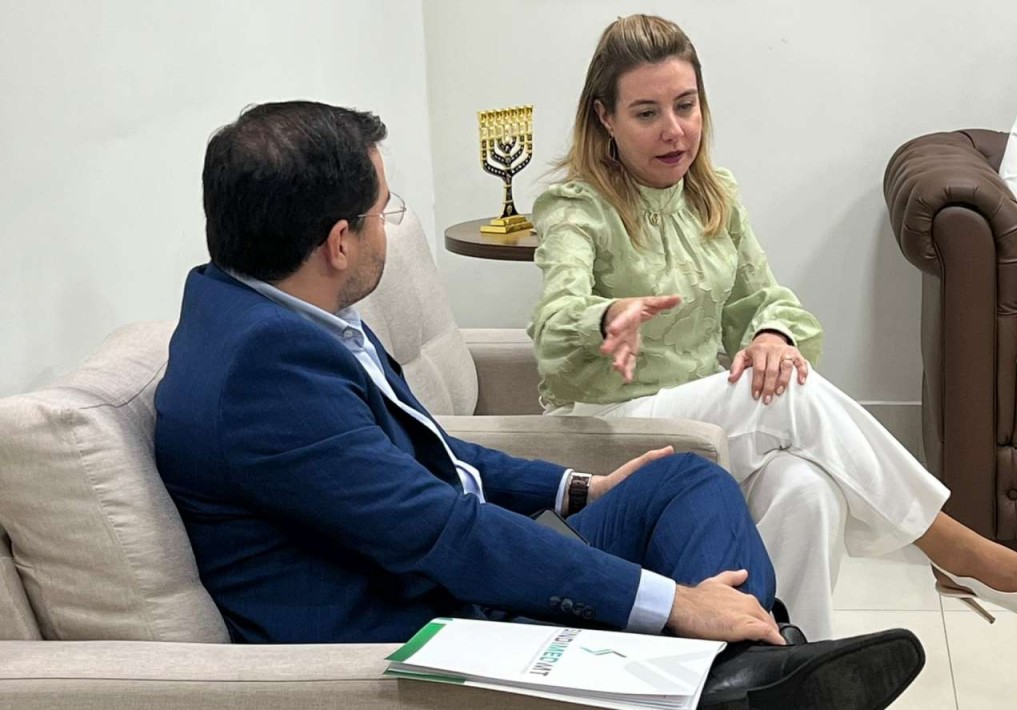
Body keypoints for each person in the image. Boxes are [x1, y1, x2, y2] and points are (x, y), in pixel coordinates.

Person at [154, 100, 924, 709]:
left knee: (685, 479)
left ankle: (748, 671)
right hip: (422, 615)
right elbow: (444, 533)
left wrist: (574, 487)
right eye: (382, 212)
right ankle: (759, 667)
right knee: (702, 566)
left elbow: (426, 447)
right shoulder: (267, 371)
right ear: (337, 242)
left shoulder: (277, 310)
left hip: (444, 564)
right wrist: (674, 604)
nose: (388, 229)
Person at [528, 13, 1017, 641]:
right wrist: (604, 315)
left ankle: (787, 665)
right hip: (611, 430)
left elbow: (768, 301)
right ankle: (960, 552)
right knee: (784, 395)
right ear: (605, 118)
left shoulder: (712, 196)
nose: (674, 130)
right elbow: (552, 322)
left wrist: (772, 337)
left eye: (686, 105)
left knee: (808, 488)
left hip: (702, 425)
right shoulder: (576, 207)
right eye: (647, 113)